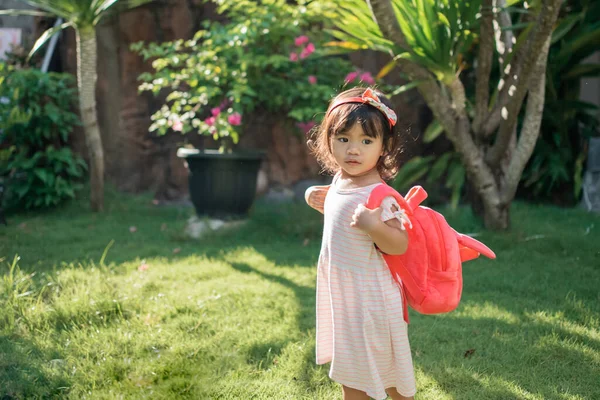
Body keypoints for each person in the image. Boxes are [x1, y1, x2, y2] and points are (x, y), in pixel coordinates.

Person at [305, 87, 416, 400]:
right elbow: (335, 202)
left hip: (372, 303)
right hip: (348, 298)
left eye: (366, 141)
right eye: (344, 139)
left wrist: (374, 225)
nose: (353, 150)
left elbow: (399, 244)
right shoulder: (342, 180)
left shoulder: (381, 196)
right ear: (327, 139)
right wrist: (313, 196)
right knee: (354, 371)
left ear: (384, 147)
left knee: (389, 375)